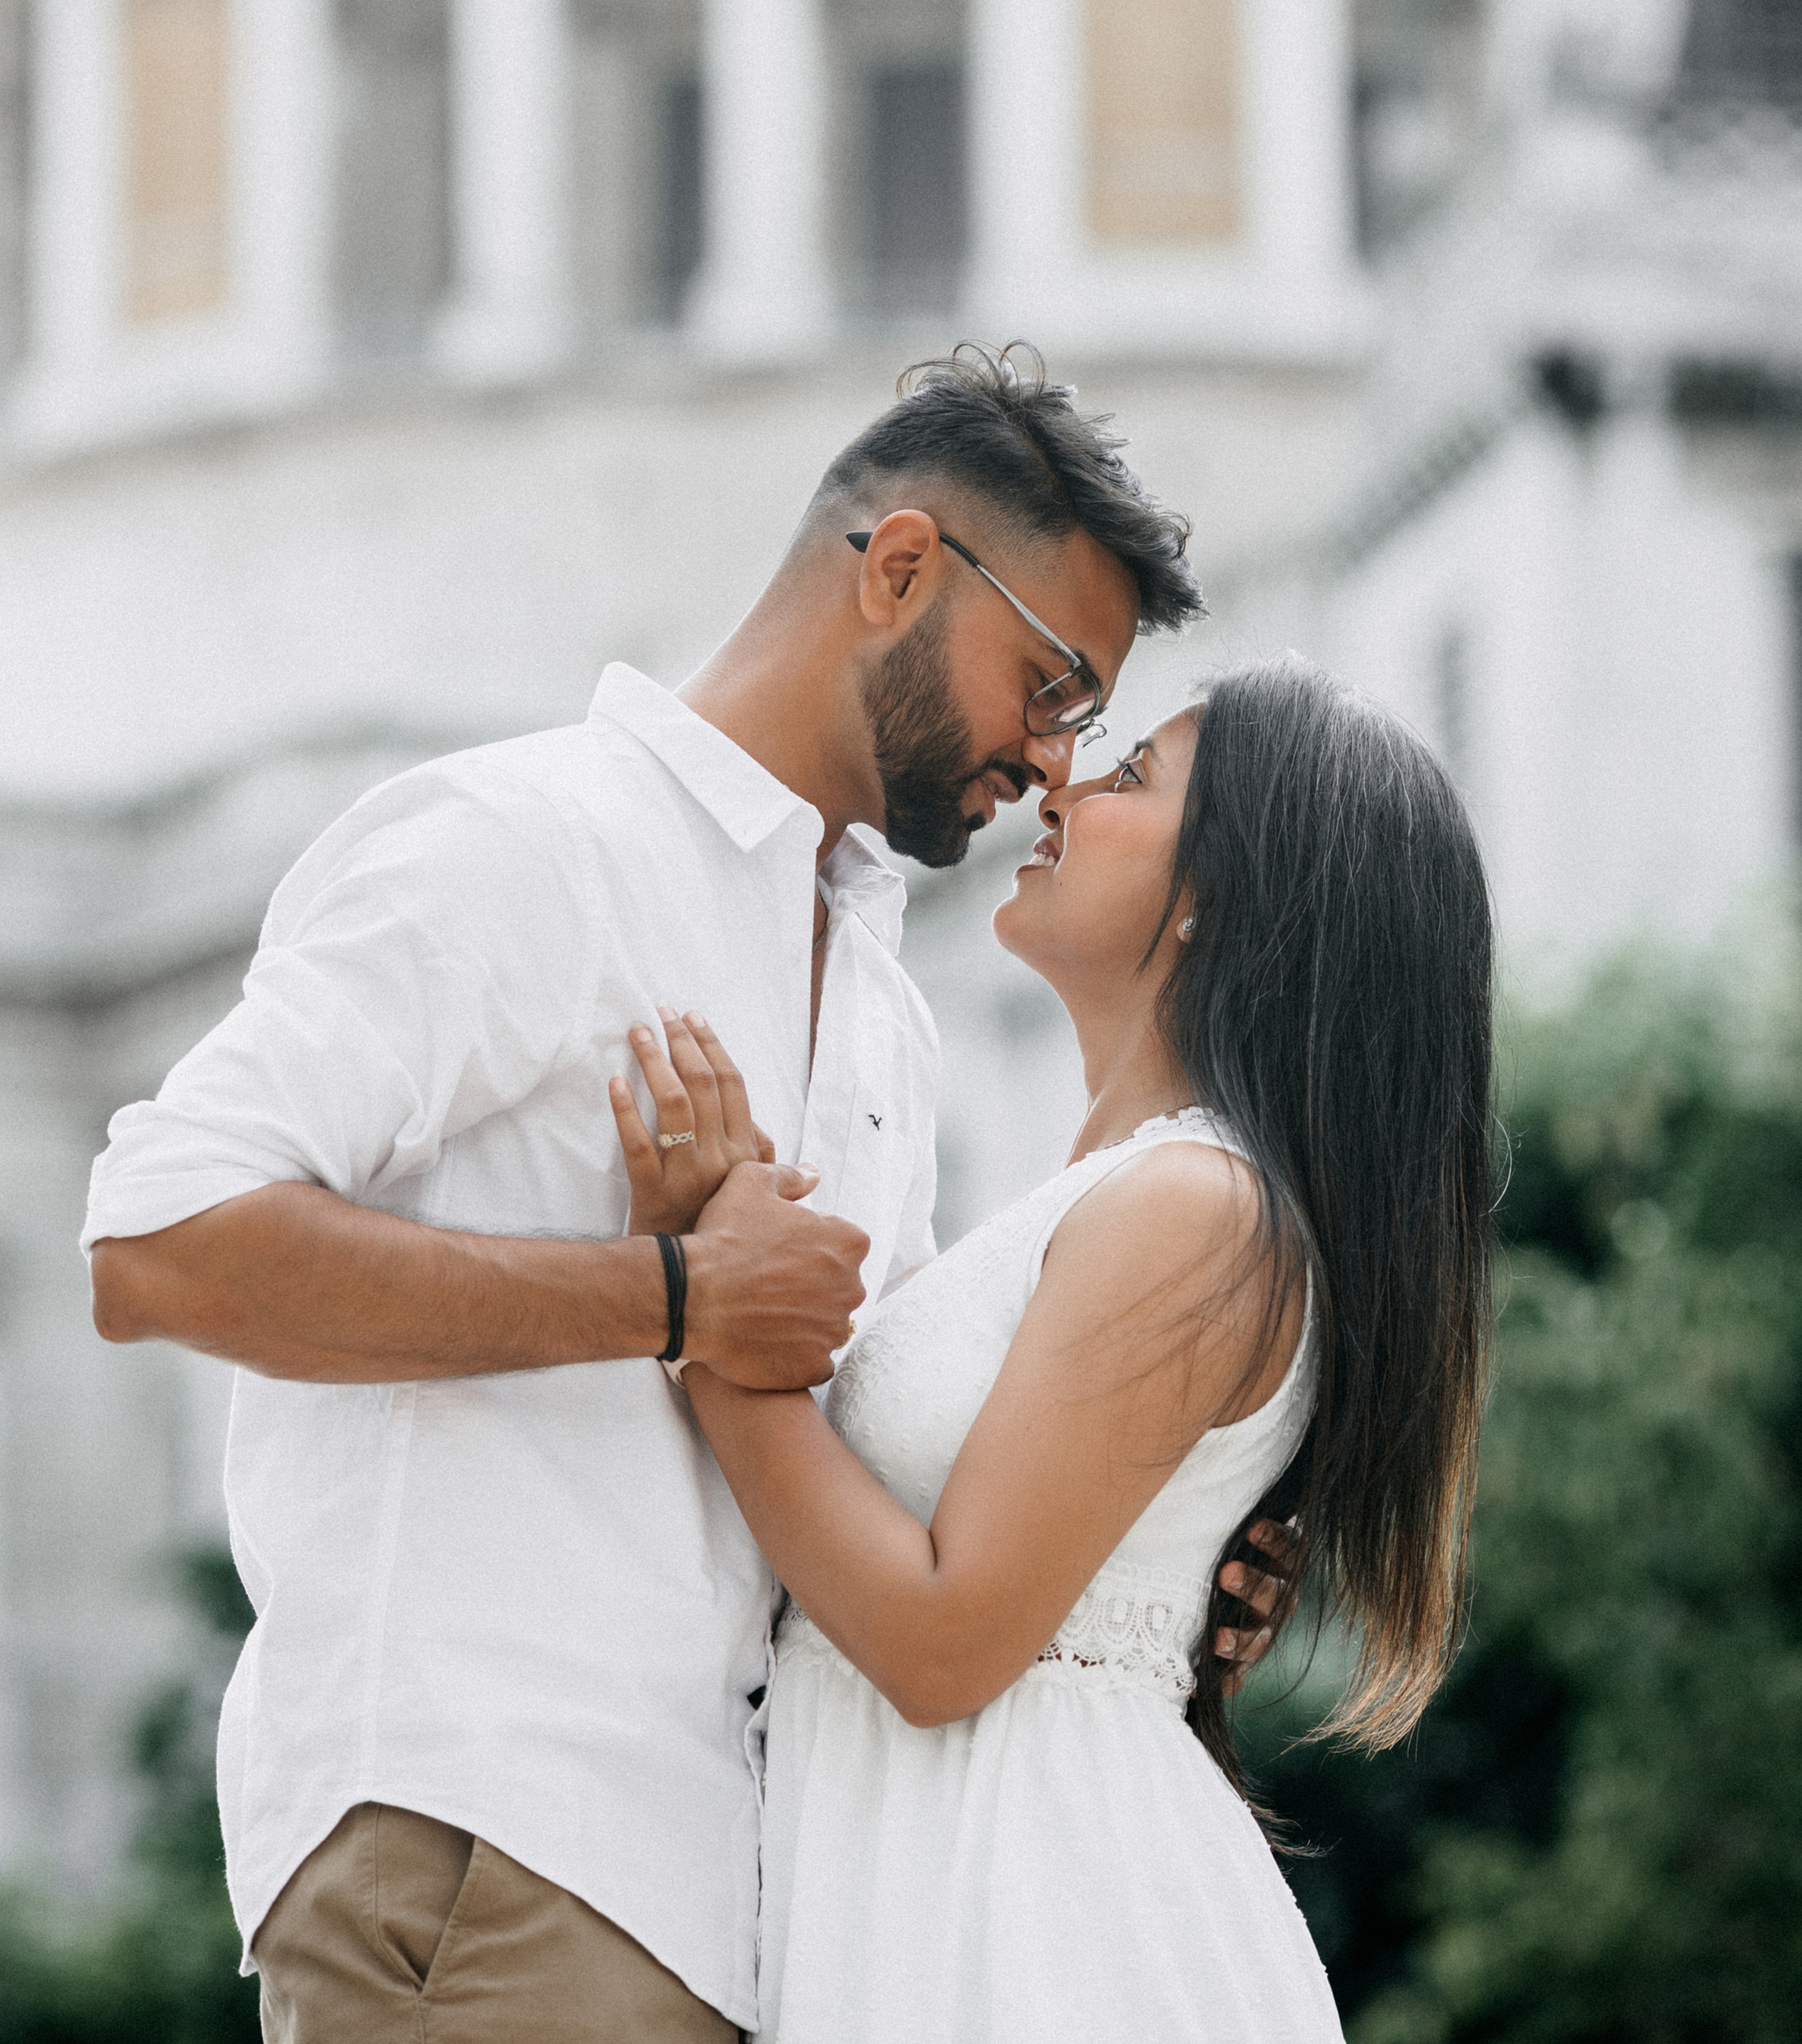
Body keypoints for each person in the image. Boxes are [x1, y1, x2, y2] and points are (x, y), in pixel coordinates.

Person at [82, 349, 1290, 2042]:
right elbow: (155, 1244)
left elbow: (854, 1453)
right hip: (495, 1848)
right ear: (898, 568)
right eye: (1049, 680)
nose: (1051, 758)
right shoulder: (519, 841)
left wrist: (1156, 1551)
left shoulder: (888, 1013)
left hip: (749, 1898)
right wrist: (663, 1299)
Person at [618, 658, 1496, 2042]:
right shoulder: (1124, 1200)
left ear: (1217, 899)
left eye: (1134, 773)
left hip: (1045, 1920)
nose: (1066, 782)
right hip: (947, 1882)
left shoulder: (1196, 1209)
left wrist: (709, 1312)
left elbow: (942, 1642)